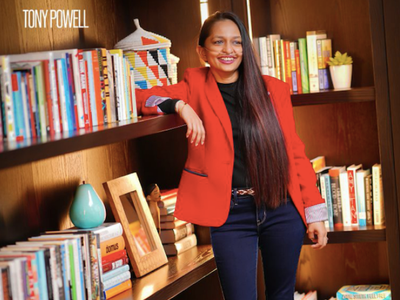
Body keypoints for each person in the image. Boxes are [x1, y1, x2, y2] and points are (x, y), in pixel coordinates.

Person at [135, 11, 328, 300]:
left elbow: (295, 153)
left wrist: (315, 214)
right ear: (202, 50)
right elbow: (140, 97)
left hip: (280, 207)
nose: (229, 50)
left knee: (282, 295)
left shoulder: (273, 89)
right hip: (230, 213)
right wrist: (180, 106)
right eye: (219, 42)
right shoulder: (194, 84)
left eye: (236, 42)